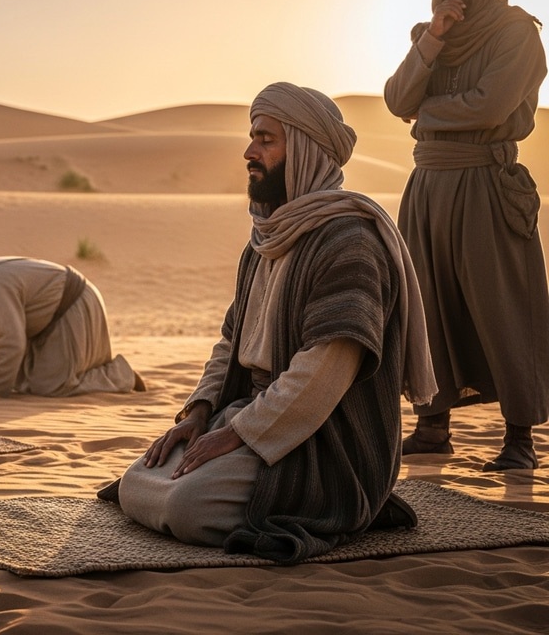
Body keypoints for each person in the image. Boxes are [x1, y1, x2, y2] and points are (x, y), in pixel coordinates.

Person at [97, 82, 436, 565]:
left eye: (265, 139)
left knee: (185, 505)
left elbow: (325, 370)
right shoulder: (267, 237)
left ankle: (330, 501)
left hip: (326, 436)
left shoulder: (350, 241)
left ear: (303, 148)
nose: (249, 151)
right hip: (251, 412)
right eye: (252, 137)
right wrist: (199, 414)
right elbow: (231, 340)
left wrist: (237, 433)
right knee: (136, 483)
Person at [384, 0, 549, 471]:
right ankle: (433, 428)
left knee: (501, 306)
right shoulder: (430, 34)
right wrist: (432, 39)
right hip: (427, 184)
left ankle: (519, 439)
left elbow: (491, 106)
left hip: (487, 184)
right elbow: (395, 99)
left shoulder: (517, 33)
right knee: (427, 305)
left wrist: (426, 114)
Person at [0, 257, 143, 397]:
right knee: (26, 380)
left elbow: (10, 342)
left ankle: (121, 375)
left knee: (52, 385)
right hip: (65, 308)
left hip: (75, 303)